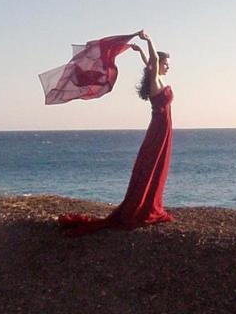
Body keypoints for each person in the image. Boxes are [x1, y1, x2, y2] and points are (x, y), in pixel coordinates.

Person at [58, 30, 174, 236]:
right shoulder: (155, 81)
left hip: (162, 125)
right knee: (154, 163)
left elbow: (150, 63)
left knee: (156, 164)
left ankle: (148, 202)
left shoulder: (156, 78)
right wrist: (149, 41)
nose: (168, 66)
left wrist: (140, 52)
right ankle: (146, 206)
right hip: (159, 126)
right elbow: (154, 61)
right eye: (166, 63)